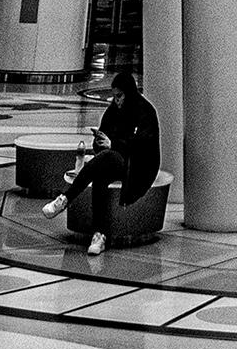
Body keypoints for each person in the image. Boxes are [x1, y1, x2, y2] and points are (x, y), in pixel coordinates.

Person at [43, 68, 159, 257]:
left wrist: (113, 144)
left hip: (138, 167)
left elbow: (143, 147)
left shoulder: (146, 111)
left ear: (128, 94)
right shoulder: (113, 110)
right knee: (101, 174)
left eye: (120, 96)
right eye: (115, 97)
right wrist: (101, 143)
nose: (117, 101)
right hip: (114, 161)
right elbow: (103, 142)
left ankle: (66, 199)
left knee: (107, 157)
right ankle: (99, 234)